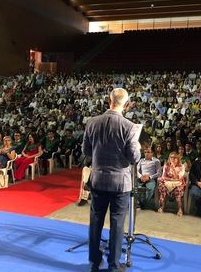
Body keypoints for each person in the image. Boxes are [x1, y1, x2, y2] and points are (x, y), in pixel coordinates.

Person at [82, 88, 141, 272]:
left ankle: (94, 261)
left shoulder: (92, 122)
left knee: (95, 220)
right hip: (120, 184)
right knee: (117, 224)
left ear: (109, 100)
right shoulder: (129, 126)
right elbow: (133, 158)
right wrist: (137, 148)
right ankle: (114, 265)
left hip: (98, 180)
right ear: (126, 104)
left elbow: (86, 152)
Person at [157, 152, 186, 216]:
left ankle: (179, 209)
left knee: (178, 190)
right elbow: (163, 176)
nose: (172, 159)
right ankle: (161, 207)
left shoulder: (181, 166)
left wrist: (173, 168)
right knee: (162, 186)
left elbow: (178, 177)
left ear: (178, 159)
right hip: (168, 182)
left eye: (174, 158)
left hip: (178, 183)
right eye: (171, 157)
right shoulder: (166, 165)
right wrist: (171, 179)